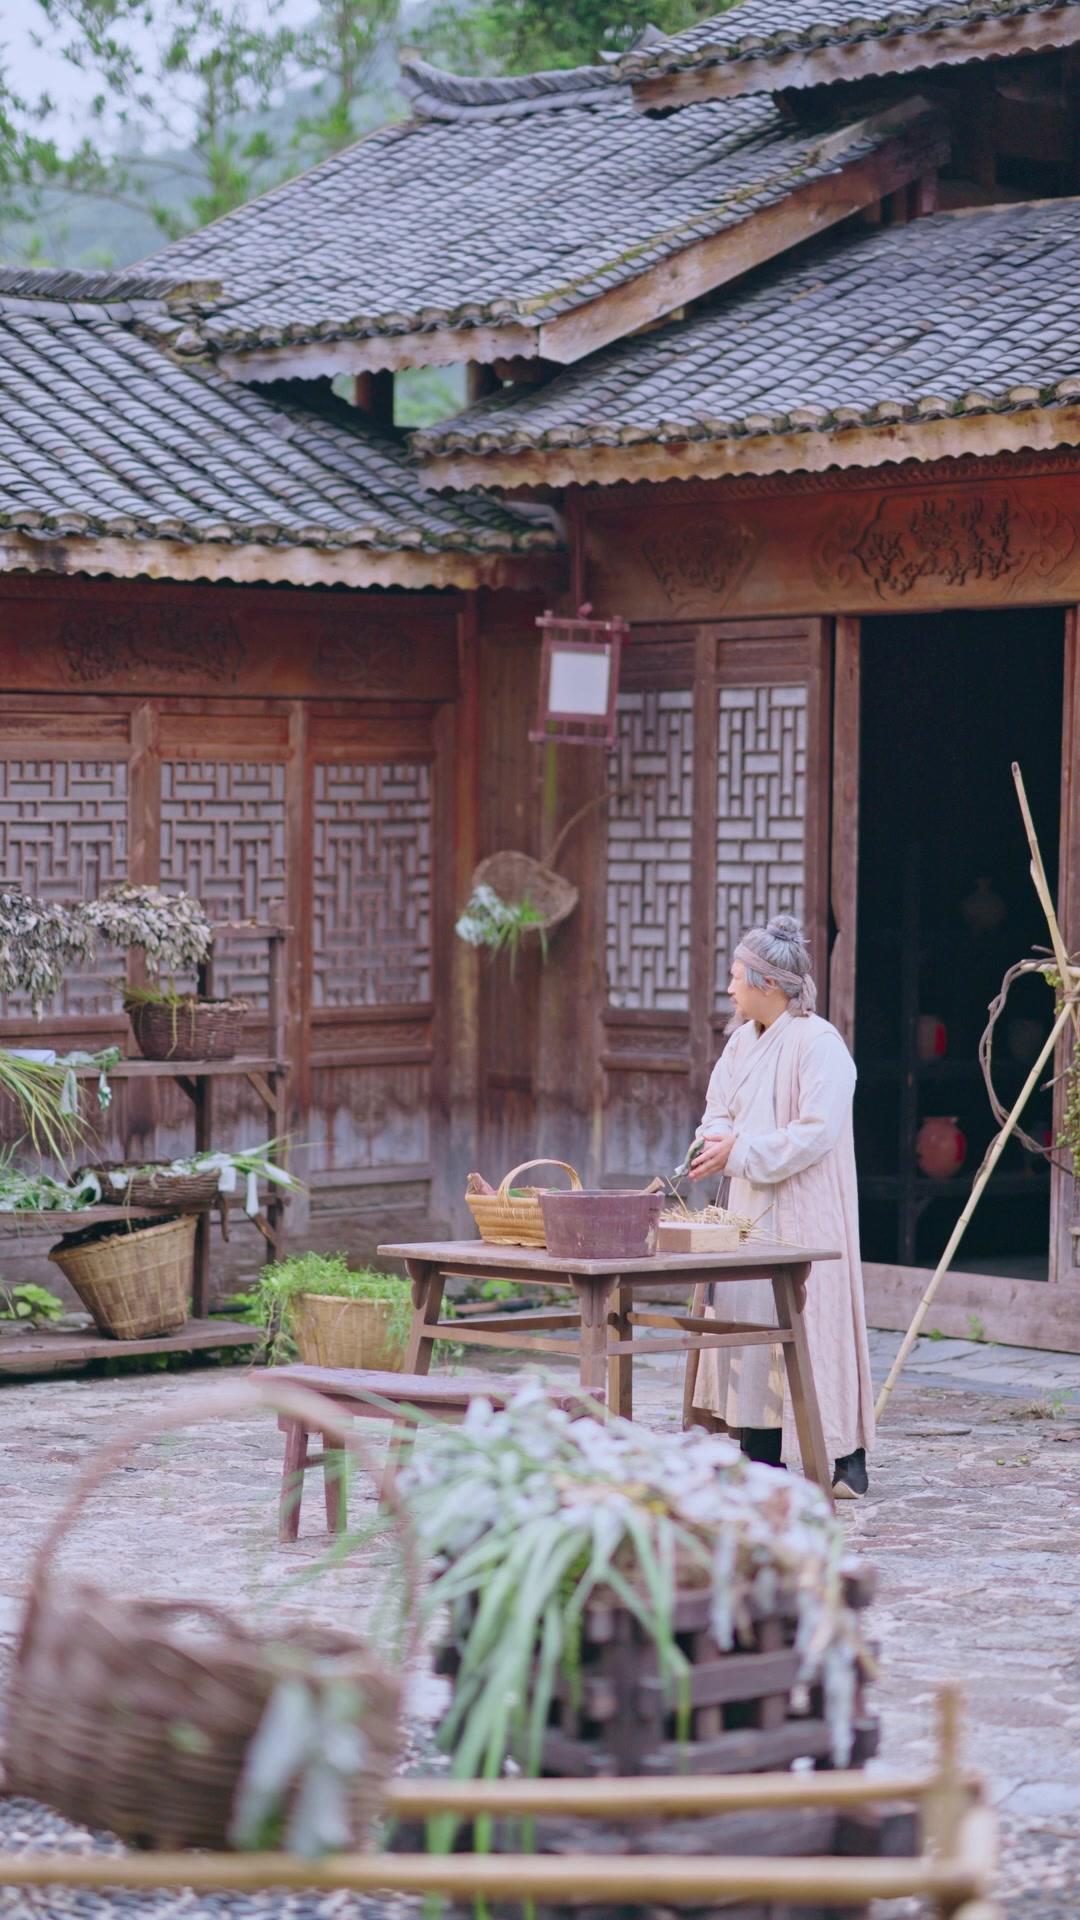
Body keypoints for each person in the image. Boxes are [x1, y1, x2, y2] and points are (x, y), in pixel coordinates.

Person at [686, 913, 875, 1498]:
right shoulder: (741, 1043)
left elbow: (816, 1131)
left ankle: (845, 1456)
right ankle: (760, 1453)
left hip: (804, 1203)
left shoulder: (820, 1045)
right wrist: (716, 1140)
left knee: (814, 1325)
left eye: (737, 977)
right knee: (749, 1323)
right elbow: (717, 1107)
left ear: (768, 984)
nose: (730, 988)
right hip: (747, 1204)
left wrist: (738, 1150)